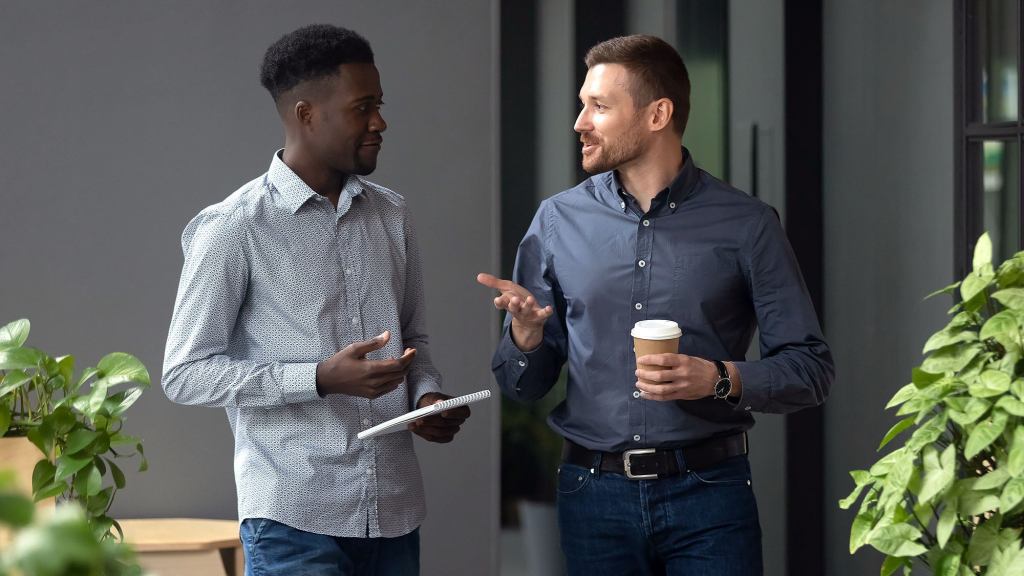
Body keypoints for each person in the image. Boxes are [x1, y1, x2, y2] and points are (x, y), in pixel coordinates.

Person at [478, 34, 833, 575]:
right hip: (592, 497)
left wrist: (718, 377)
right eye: (582, 104)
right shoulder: (556, 221)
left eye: (599, 107)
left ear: (657, 114)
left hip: (710, 496)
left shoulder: (747, 225)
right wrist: (524, 337)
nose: (580, 122)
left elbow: (810, 369)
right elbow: (520, 385)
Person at [162, 24, 470, 576]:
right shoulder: (233, 226)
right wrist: (319, 378)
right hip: (292, 518)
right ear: (306, 114)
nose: (380, 122)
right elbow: (185, 373)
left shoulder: (392, 214)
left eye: (380, 105)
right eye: (363, 107)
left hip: (394, 513)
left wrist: (426, 400)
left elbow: (413, 341)